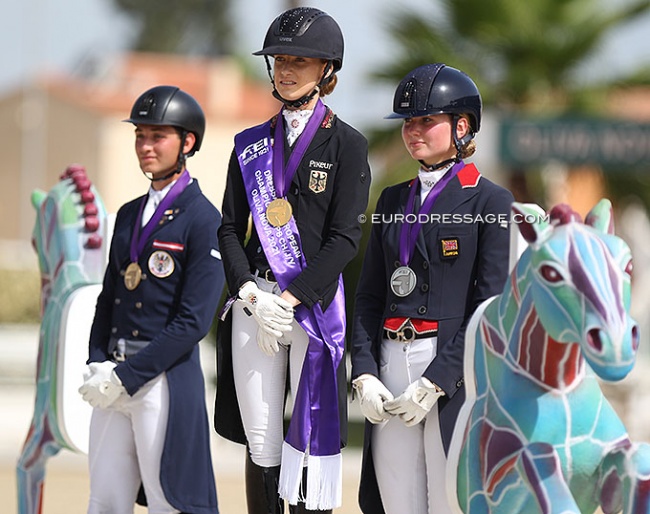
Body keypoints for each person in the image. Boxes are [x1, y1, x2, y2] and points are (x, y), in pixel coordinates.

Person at [214, 6, 371, 514]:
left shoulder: (348, 145)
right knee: (261, 440)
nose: (285, 68)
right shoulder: (250, 145)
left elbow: (345, 240)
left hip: (312, 308)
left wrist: (290, 297)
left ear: (327, 71)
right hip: (256, 304)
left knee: (305, 436)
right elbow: (228, 228)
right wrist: (249, 293)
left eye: (299, 60)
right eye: (279, 58)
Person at [350, 63, 514, 514]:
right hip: (390, 365)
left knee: (446, 503)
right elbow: (368, 295)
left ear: (462, 126)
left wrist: (438, 381)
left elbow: (490, 303)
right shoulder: (391, 199)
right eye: (408, 122)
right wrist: (363, 370)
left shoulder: (489, 200)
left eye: (426, 120)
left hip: (447, 370)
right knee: (396, 502)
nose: (413, 131)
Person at [78, 85, 224, 514]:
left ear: (187, 142)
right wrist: (96, 360)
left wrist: (128, 375)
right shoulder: (126, 214)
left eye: (157, 136)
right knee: (104, 499)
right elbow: (110, 299)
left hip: (161, 379)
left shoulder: (203, 220)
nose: (145, 146)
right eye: (140, 135)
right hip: (113, 376)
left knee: (168, 501)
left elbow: (193, 322)